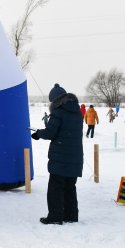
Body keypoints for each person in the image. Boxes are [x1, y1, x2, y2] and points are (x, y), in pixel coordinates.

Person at [30, 84, 83, 225]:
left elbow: (50, 132)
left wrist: (38, 134)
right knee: (70, 188)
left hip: (60, 157)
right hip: (75, 158)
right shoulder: (77, 112)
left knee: (55, 188)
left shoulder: (58, 112)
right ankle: (71, 216)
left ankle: (55, 217)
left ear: (55, 100)